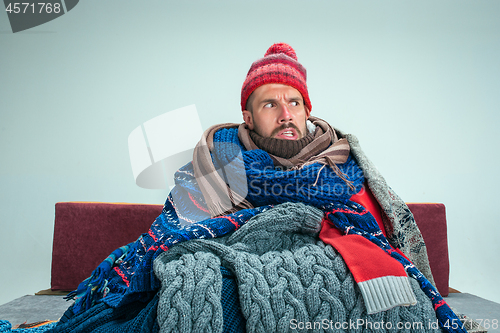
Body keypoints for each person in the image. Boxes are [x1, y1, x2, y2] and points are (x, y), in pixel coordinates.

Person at [49, 43, 465, 333]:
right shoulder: (216, 160)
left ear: (307, 109)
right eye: (270, 104)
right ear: (248, 117)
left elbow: (373, 237)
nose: (286, 113)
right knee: (197, 283)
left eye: (294, 102)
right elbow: (172, 234)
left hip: (331, 266)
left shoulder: (343, 166)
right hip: (235, 263)